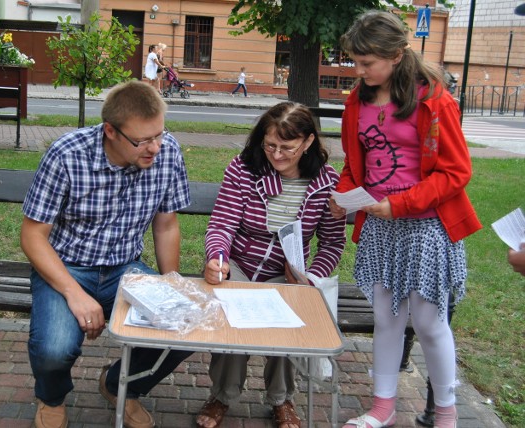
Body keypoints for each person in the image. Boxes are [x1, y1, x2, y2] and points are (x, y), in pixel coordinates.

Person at [329, 11, 482, 428]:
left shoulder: (433, 99)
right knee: (385, 319)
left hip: (427, 226)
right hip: (380, 225)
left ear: (396, 55)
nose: (358, 72)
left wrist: (400, 205)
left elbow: (456, 172)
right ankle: (383, 407)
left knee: (430, 323)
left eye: (367, 63)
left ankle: (446, 416)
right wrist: (344, 196)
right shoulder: (358, 99)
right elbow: (355, 163)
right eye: (355, 63)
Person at [20, 80, 192, 428]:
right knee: (54, 350)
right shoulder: (67, 154)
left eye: (160, 134)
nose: (155, 148)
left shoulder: (168, 151)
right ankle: (51, 398)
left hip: (126, 269)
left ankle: (119, 387)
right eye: (143, 141)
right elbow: (33, 236)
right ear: (110, 131)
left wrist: (172, 283)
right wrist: (74, 294)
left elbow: (166, 224)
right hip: (66, 267)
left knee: (185, 327)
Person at [196, 102, 347, 428]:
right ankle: (222, 394)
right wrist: (217, 259)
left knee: (288, 316)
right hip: (241, 264)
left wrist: (312, 276)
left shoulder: (325, 181)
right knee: (231, 315)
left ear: (307, 142)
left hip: (288, 271)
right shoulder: (243, 169)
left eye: (287, 148)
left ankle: (281, 398)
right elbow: (222, 225)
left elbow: (333, 243)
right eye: (270, 145)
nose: (276, 155)